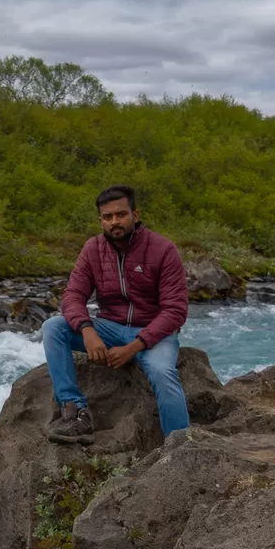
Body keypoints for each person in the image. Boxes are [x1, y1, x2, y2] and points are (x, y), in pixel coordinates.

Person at [42, 185, 190, 445]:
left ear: (135, 214)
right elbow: (73, 295)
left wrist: (134, 347)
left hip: (154, 333)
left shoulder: (163, 249)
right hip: (110, 327)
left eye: (121, 215)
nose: (115, 222)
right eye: (107, 217)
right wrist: (87, 331)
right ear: (100, 220)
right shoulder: (93, 249)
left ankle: (179, 447)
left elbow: (175, 310)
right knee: (54, 327)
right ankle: (76, 413)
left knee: (162, 373)